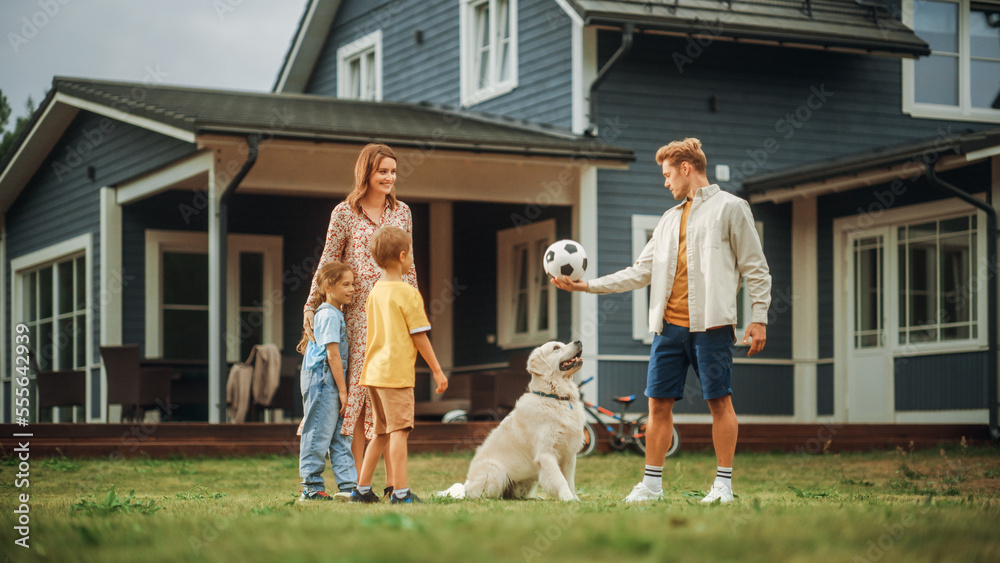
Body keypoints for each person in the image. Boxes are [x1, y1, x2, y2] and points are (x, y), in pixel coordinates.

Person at [551, 138, 770, 504]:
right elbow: (640, 272)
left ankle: (723, 486)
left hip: (712, 327)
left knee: (719, 403)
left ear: (687, 168)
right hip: (667, 330)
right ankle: (651, 485)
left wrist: (759, 316)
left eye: (668, 174)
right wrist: (587, 286)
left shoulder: (731, 208)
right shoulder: (668, 220)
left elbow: (756, 267)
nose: (665, 182)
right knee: (657, 405)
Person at [303, 143, 417, 497]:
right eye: (382, 171)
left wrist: (415, 310)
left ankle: (391, 484)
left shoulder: (403, 212)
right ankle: (356, 484)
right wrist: (311, 304)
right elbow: (328, 261)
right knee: (362, 396)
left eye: (393, 172)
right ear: (366, 172)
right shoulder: (344, 213)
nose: (389, 178)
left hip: (394, 316)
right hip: (357, 317)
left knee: (391, 396)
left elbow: (408, 262)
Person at [350, 226, 448, 504]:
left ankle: (362, 490)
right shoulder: (408, 293)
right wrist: (438, 371)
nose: (412, 259)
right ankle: (401, 493)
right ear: (403, 256)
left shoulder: (374, 292)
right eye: (411, 255)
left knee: (380, 433)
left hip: (373, 373)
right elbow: (419, 336)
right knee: (399, 432)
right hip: (395, 375)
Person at [295, 261, 357, 501]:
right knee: (318, 433)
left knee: (340, 435)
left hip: (330, 381)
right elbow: (332, 355)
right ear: (329, 288)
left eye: (353, 284)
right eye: (346, 284)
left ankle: (348, 486)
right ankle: (311, 488)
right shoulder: (329, 314)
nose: (352, 289)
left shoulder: (334, 312)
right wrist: (343, 391)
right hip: (322, 380)